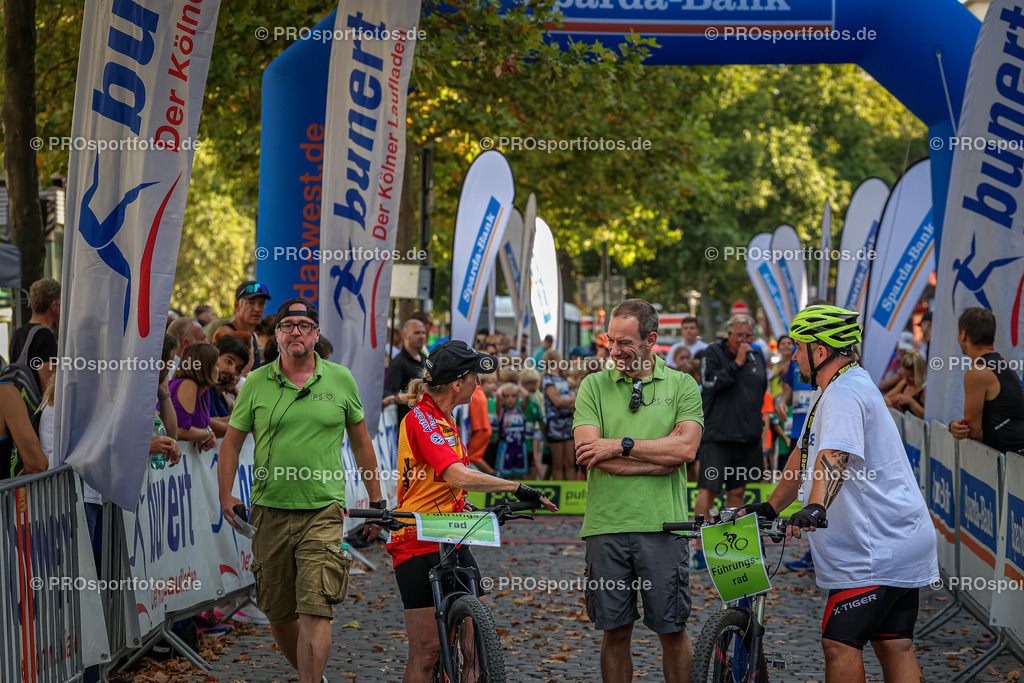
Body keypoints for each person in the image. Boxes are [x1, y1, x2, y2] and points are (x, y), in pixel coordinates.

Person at [744, 304, 937, 683]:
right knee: (894, 644)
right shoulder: (835, 388)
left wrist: (816, 506)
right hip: (900, 539)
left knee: (839, 644)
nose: (793, 355)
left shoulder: (844, 393)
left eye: (798, 348)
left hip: (875, 549)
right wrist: (771, 505)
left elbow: (835, 458)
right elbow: (803, 455)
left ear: (820, 352)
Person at [218, 298, 385, 683]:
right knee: (278, 612)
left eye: (304, 325)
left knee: (315, 607)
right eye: (287, 325)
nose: (296, 331)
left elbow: (361, 442)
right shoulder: (257, 382)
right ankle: (314, 674)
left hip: (322, 510)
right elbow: (230, 442)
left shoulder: (341, 378)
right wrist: (225, 495)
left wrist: (377, 501)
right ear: (276, 335)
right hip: (268, 510)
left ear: (316, 333)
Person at [385, 340, 556, 682]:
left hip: (452, 533)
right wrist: (515, 486)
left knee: (476, 644)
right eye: (475, 376)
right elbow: (456, 473)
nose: (480, 383)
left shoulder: (447, 419)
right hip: (417, 539)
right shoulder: (423, 419)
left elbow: (448, 485)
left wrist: (474, 505)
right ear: (456, 382)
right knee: (428, 651)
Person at [573, 299, 703, 683]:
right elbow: (588, 454)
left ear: (651, 340)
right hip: (605, 525)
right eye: (611, 341)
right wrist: (659, 458)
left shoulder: (682, 384)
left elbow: (686, 450)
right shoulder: (593, 385)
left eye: (624, 342)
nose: (614, 351)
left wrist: (619, 445)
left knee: (672, 630)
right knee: (614, 632)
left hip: (665, 526)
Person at [693, 313, 768, 570]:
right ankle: (701, 549)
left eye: (749, 336)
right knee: (709, 490)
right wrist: (736, 362)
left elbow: (760, 390)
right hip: (719, 435)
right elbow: (709, 384)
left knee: (737, 491)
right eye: (740, 335)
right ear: (729, 334)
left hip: (747, 436)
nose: (746, 341)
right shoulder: (712, 353)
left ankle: (728, 544)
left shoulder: (758, 356)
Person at [951, 307, 1024, 453]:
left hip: (1011, 460)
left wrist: (953, 426)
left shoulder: (977, 371)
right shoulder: (1003, 363)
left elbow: (973, 431)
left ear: (963, 335)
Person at [8, 277, 60, 396]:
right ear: (53, 307)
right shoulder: (45, 336)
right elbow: (49, 391)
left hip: (20, 409)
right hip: (36, 412)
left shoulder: (18, 334)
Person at [170, 342, 220, 452]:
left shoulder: (203, 390)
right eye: (217, 365)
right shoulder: (188, 385)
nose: (218, 370)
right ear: (206, 367)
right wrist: (208, 434)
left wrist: (209, 434)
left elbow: (203, 427)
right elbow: (180, 430)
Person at [214, 280, 272, 371]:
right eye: (251, 303)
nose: (257, 309)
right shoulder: (226, 333)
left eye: (261, 303)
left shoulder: (254, 337)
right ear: (237, 306)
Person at [383, 319, 428, 423]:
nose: (421, 336)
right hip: (407, 425)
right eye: (417, 332)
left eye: (423, 332)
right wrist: (412, 397)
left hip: (426, 422)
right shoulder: (398, 363)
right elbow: (390, 394)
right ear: (405, 335)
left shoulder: (425, 359)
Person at [542, 349, 576, 481]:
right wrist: (568, 402)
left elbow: (574, 400)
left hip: (568, 422)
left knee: (569, 462)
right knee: (558, 464)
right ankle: (560, 495)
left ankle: (571, 492)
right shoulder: (547, 379)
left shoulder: (564, 379)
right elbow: (556, 401)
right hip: (555, 423)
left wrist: (565, 402)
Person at [494, 382, 539, 478]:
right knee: (505, 477)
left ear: (518, 398)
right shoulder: (501, 412)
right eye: (506, 396)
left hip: (520, 447)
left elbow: (526, 395)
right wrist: (505, 386)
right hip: (506, 447)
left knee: (519, 476)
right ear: (503, 399)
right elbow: (498, 394)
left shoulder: (520, 410)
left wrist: (515, 386)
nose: (510, 399)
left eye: (513, 396)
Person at [209, 335, 251, 437]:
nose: (232, 371)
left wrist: (237, 392)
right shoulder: (205, 389)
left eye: (238, 368)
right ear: (214, 355)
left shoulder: (220, 395)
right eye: (228, 361)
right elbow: (209, 424)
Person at [883, 350, 927, 419]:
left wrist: (911, 402)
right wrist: (890, 402)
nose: (906, 380)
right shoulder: (904, 383)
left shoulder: (925, 391)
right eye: (903, 375)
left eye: (910, 377)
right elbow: (885, 398)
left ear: (917, 375)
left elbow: (928, 417)